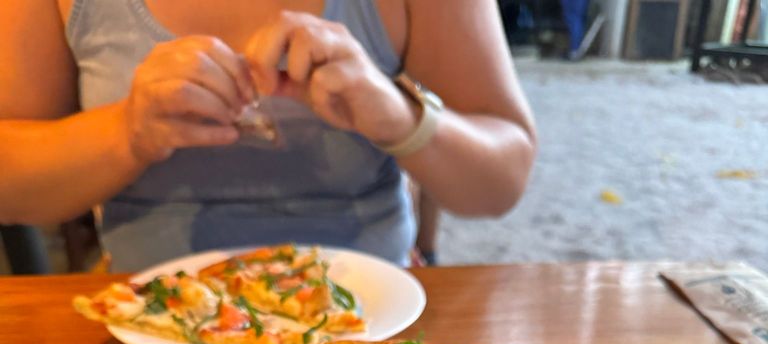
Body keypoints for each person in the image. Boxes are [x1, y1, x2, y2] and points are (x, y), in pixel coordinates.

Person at [0, 2, 536, 271]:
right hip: (146, 317)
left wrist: (399, 117)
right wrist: (127, 133)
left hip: (373, 322)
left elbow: (501, 180)